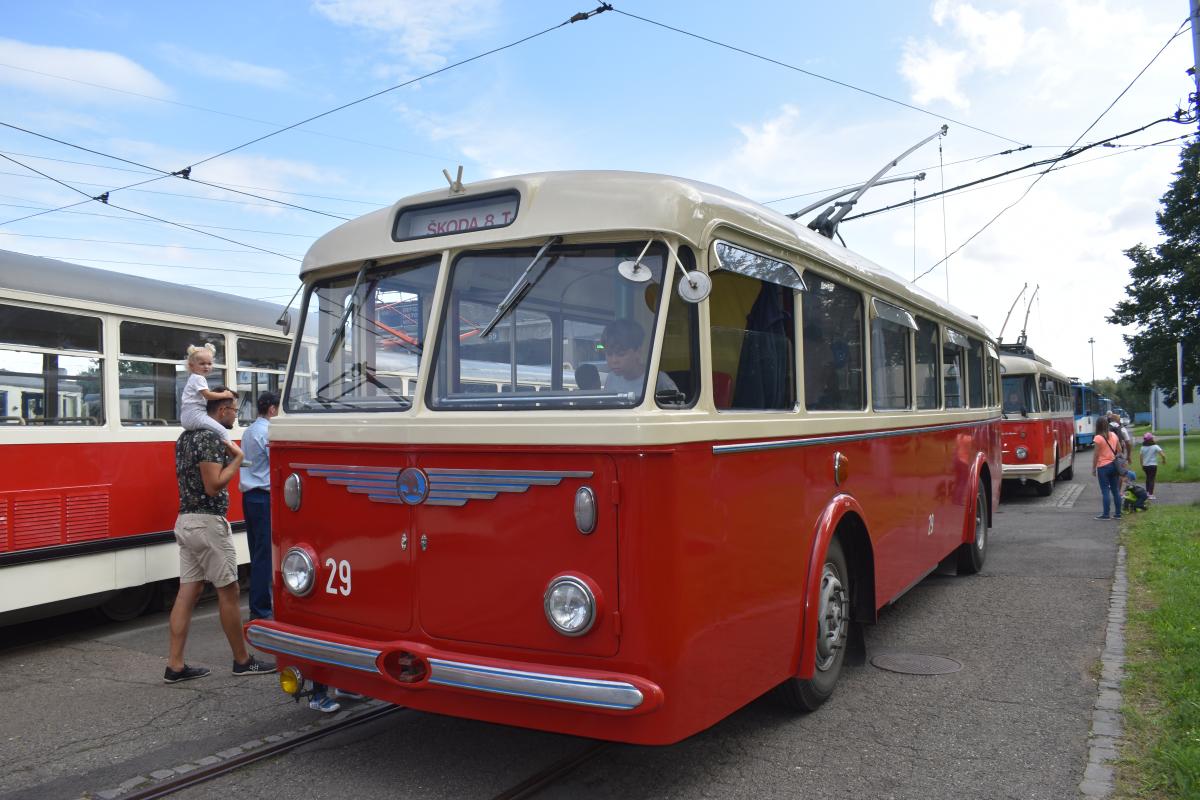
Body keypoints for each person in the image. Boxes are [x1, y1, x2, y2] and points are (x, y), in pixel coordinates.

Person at [164, 387, 275, 683]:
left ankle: (175, 665)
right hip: (208, 524)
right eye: (234, 411)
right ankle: (243, 660)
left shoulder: (184, 438)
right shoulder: (211, 438)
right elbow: (213, 485)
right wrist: (236, 460)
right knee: (229, 591)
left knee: (188, 592)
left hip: (186, 520)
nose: (235, 416)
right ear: (222, 410)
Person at [240, 391, 279, 621]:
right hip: (264, 498)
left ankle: (257, 605)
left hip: (249, 497)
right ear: (272, 409)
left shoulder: (249, 431)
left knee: (256, 553)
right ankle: (261, 608)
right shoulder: (267, 433)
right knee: (265, 555)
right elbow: (274, 463)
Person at [599, 319, 677, 396]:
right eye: (609, 354)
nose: (614, 360)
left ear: (638, 352)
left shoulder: (658, 379)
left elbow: (679, 406)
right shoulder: (611, 378)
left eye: (621, 354)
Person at [182, 344, 236, 442]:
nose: (206, 366)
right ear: (191, 366)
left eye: (209, 364)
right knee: (222, 431)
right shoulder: (199, 378)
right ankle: (231, 453)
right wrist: (225, 394)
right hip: (195, 415)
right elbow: (208, 395)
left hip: (188, 416)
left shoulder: (193, 378)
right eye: (202, 364)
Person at [1090, 415, 1122, 521]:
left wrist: (1094, 468)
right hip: (1114, 465)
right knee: (1116, 490)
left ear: (1097, 426)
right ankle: (1118, 514)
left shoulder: (1098, 438)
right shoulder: (1113, 435)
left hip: (1103, 467)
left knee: (1105, 491)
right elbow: (1120, 450)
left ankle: (1106, 514)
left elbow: (1096, 455)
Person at [1140, 432, 1164, 499]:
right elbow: (1163, 455)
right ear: (1151, 439)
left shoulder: (1142, 447)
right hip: (1153, 465)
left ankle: (1147, 493)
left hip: (1145, 465)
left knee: (1147, 478)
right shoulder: (1155, 446)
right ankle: (1151, 494)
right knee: (1152, 479)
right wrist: (1163, 460)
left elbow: (1141, 457)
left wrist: (1142, 465)